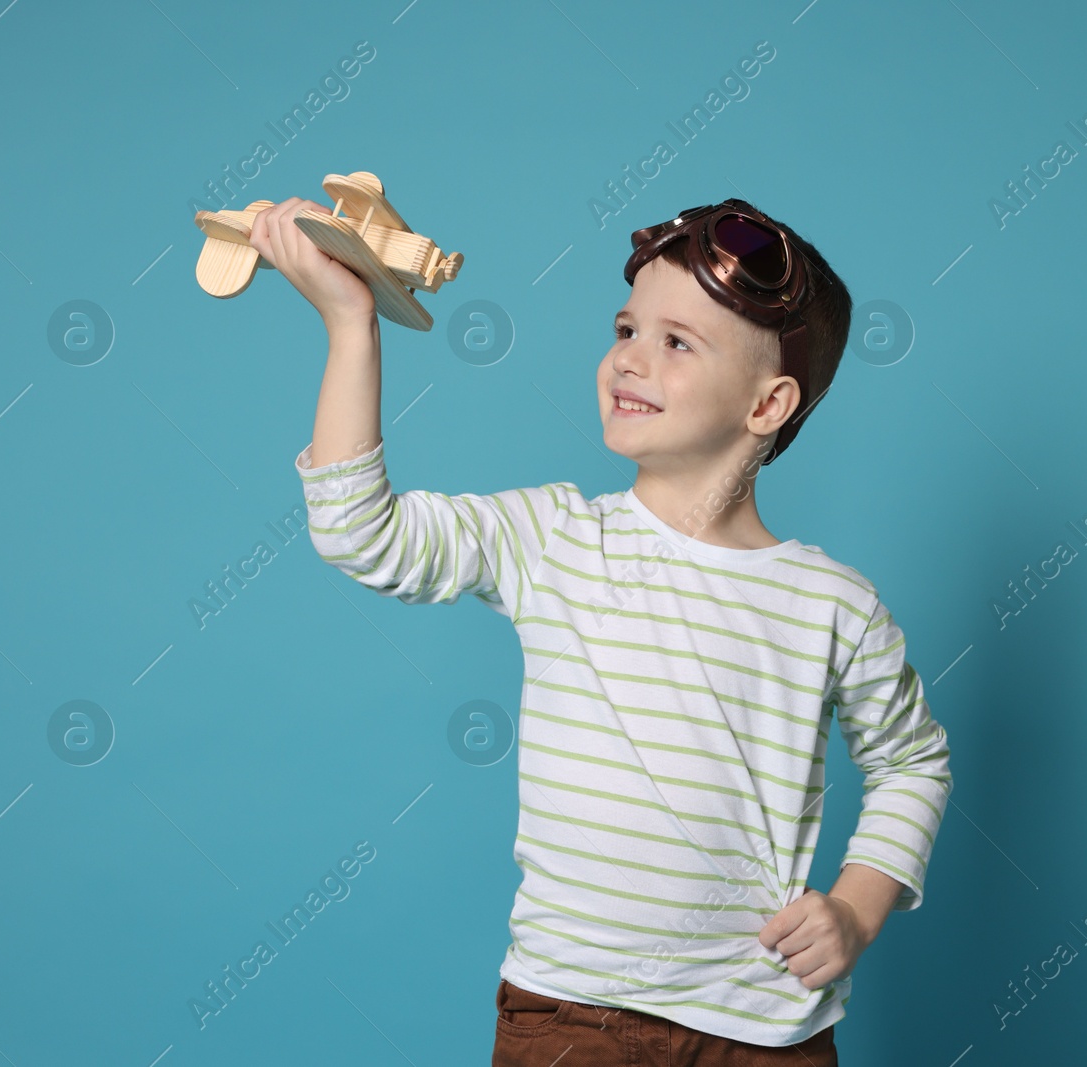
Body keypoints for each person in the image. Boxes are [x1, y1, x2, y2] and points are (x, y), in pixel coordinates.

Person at [249, 195, 954, 1066]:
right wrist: (352, 323)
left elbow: (912, 761)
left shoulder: (832, 603)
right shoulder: (552, 538)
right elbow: (360, 533)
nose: (629, 358)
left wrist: (856, 906)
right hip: (569, 1018)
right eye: (626, 328)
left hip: (765, 1029)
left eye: (677, 342)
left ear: (769, 404)